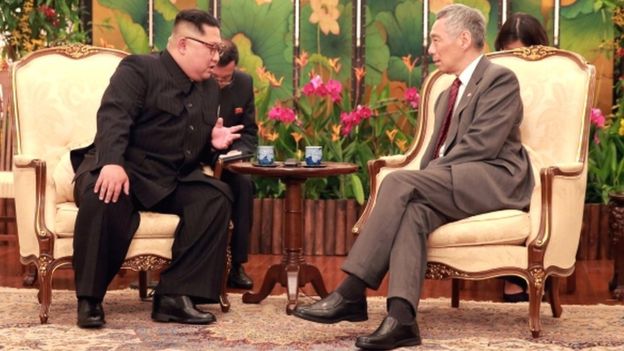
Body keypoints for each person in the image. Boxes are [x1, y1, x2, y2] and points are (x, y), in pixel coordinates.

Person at [292, 4, 534, 350]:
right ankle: (402, 319)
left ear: (464, 39)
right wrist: (424, 183)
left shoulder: (498, 79)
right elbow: (440, 154)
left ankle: (351, 292)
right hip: (457, 180)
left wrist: (423, 179)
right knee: (413, 212)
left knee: (398, 182)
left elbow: (482, 146)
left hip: (496, 181)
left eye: (436, 40)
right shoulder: (447, 92)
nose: (431, 50)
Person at [70, 9, 243, 328]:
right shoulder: (139, 69)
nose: (216, 56)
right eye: (212, 48)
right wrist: (110, 162)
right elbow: (113, 116)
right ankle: (90, 299)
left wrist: (212, 144)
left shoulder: (208, 87)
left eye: (219, 49)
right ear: (183, 44)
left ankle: (174, 296)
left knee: (216, 198)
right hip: (125, 169)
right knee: (103, 195)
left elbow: (191, 146)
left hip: (169, 178)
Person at [495, 12, 549, 302]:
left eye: (522, 53)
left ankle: (542, 270)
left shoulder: (558, 77)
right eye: (508, 54)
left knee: (544, 179)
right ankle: (512, 275)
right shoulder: (493, 78)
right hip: (506, 152)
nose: (515, 61)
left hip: (544, 149)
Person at [211, 39, 258, 289]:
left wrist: (237, 155)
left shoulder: (244, 83)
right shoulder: (196, 80)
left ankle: (236, 266)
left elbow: (250, 132)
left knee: (243, 183)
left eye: (226, 78)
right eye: (217, 78)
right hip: (198, 154)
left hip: (230, 160)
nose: (221, 83)